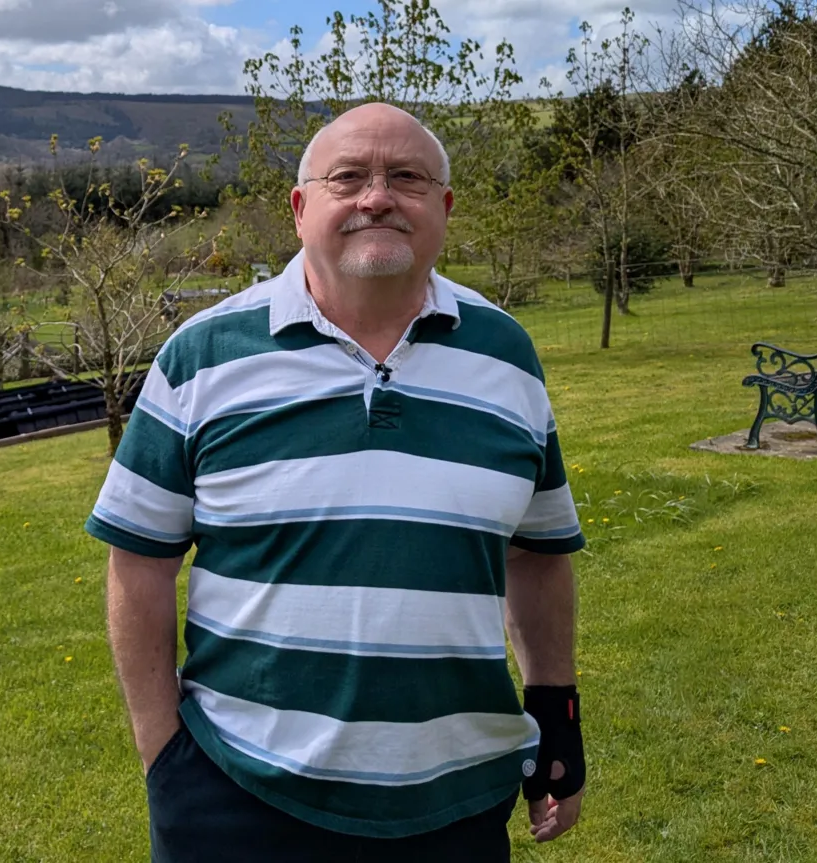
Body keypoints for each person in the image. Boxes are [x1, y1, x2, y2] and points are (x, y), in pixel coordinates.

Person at [84, 102, 587, 861]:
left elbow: (538, 553)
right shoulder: (201, 357)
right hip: (239, 793)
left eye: (407, 178)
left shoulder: (506, 357)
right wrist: (164, 755)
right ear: (299, 208)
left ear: (444, 208)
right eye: (347, 177)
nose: (377, 197)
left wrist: (557, 711)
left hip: (457, 803)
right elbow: (139, 562)